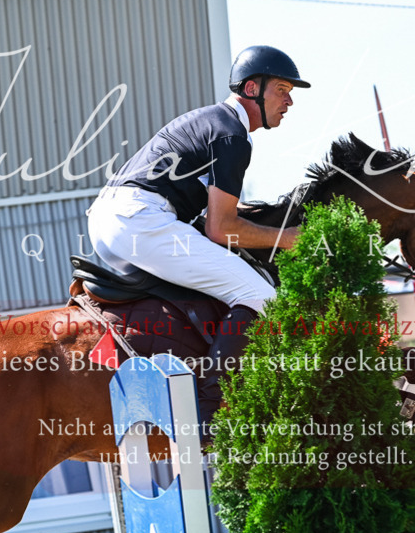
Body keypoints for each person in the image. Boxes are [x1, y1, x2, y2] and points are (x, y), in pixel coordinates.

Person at [87, 45, 310, 432]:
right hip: (140, 221)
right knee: (261, 297)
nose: (289, 101)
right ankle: (209, 414)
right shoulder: (232, 135)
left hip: (112, 220)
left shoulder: (213, 121)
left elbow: (214, 220)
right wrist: (290, 238)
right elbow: (222, 229)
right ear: (252, 87)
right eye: (282, 89)